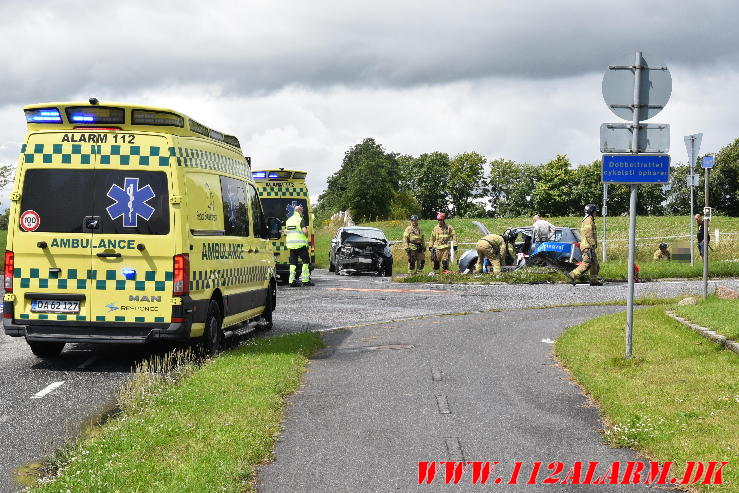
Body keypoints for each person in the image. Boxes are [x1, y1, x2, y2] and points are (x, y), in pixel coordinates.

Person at [565, 204, 602, 286]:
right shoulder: (588, 220)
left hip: (588, 246)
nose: (596, 213)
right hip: (588, 246)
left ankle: (594, 281)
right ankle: (572, 275)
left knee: (594, 264)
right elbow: (589, 234)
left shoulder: (588, 219)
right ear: (591, 212)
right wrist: (593, 244)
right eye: (595, 211)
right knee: (587, 263)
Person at [285, 205, 313, 287]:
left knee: (293, 263)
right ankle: (305, 280)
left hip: (291, 245)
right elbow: (304, 231)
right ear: (299, 211)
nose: (302, 213)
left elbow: (286, 232)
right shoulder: (300, 220)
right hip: (300, 245)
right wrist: (306, 234)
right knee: (306, 261)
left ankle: (292, 281)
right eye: (302, 212)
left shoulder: (288, 221)